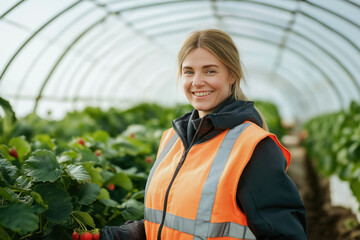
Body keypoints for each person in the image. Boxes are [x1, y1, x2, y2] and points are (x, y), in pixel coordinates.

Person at [101, 29, 307, 240]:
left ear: (232, 75)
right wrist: (120, 235)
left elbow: (285, 234)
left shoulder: (254, 147)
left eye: (210, 71)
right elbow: (169, 222)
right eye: (189, 72)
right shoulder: (171, 139)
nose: (197, 82)